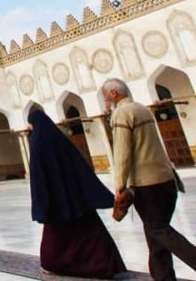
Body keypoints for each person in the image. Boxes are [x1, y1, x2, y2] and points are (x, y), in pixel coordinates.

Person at [102, 78, 196, 281]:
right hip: (167, 180)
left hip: (147, 185)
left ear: (113, 93)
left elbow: (122, 152)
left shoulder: (121, 113)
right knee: (155, 236)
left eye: (105, 95)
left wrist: (119, 185)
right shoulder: (142, 109)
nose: (104, 100)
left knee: (159, 231)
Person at [27, 109, 127, 278]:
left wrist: (42, 204)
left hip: (57, 202)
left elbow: (39, 177)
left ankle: (56, 264)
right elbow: (79, 167)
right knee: (89, 233)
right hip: (76, 199)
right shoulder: (60, 140)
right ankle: (105, 265)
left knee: (57, 239)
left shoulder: (37, 143)